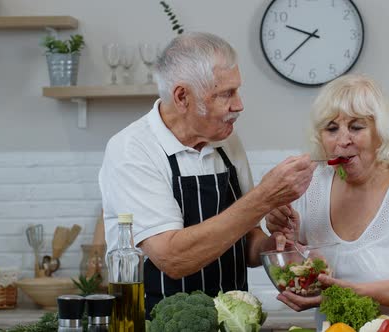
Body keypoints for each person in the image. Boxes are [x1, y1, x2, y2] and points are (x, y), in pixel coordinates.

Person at [99, 32, 316, 319]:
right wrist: (264, 197)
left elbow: (245, 238)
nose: (239, 105)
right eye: (226, 93)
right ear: (182, 97)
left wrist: (272, 246)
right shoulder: (133, 149)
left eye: (237, 91)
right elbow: (172, 257)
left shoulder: (227, 142)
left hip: (234, 323)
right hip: (154, 323)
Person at [266, 74, 389, 324]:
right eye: (331, 128)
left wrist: (351, 293)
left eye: (356, 127)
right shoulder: (312, 185)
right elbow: (304, 275)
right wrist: (288, 239)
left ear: (381, 132)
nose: (343, 140)